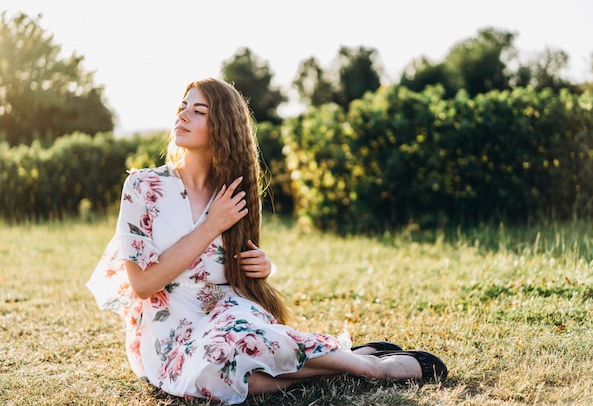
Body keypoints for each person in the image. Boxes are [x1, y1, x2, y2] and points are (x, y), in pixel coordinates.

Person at [86, 78, 447, 405]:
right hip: (168, 328)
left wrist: (264, 265)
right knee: (217, 371)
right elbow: (145, 283)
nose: (182, 115)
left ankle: (374, 369)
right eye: (182, 107)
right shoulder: (143, 188)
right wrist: (210, 226)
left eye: (198, 111)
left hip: (227, 310)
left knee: (238, 342)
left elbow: (240, 266)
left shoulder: (235, 193)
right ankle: (356, 361)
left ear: (222, 127)